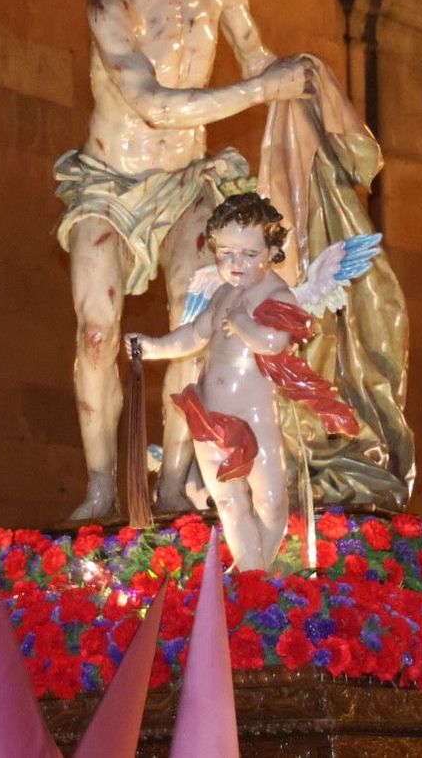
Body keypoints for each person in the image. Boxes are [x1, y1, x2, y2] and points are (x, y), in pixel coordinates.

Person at [55, 0, 316, 519]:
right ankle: (100, 483)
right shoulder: (108, 2)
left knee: (190, 321)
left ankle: (172, 480)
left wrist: (307, 99)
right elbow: (153, 104)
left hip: (186, 180)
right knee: (95, 329)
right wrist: (263, 91)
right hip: (110, 183)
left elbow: (256, 60)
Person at [125, 193, 357, 572]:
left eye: (249, 255)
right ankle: (250, 570)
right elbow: (193, 335)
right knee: (229, 500)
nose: (235, 264)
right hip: (209, 415)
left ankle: (256, 570)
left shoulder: (276, 293)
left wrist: (245, 325)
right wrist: (151, 347)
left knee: (269, 499)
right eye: (225, 253)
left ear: (272, 250)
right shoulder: (221, 294)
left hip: (255, 417)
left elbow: (274, 342)